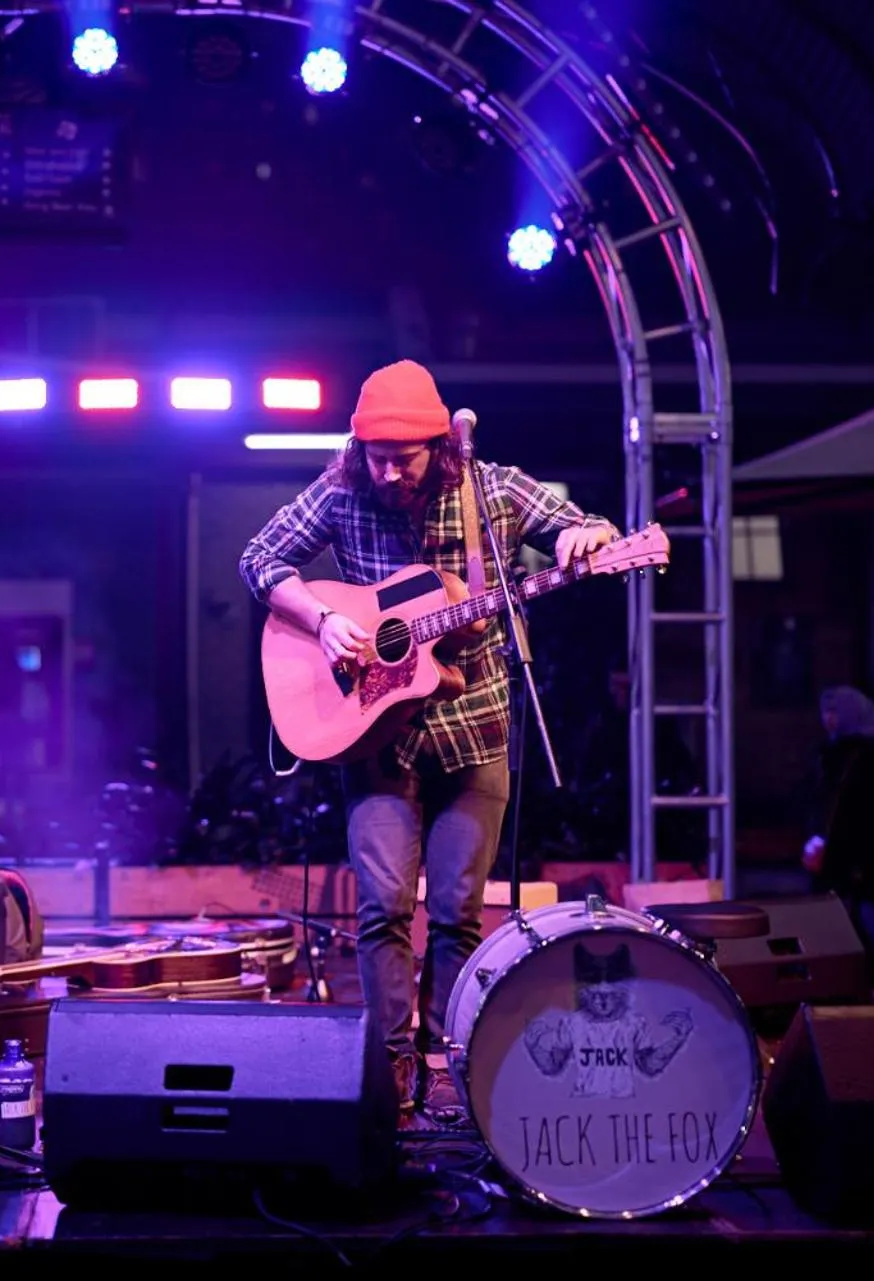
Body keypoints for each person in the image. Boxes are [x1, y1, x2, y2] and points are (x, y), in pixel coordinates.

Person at [238, 358, 617, 1117]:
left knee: (456, 912)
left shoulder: (491, 488)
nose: (387, 474)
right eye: (374, 456)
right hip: (377, 738)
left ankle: (452, 1067)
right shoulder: (345, 489)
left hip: (475, 733)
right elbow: (258, 557)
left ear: (439, 446)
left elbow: (585, 527)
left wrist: (592, 535)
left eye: (401, 459)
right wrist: (325, 618)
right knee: (380, 907)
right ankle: (389, 1075)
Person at [802, 686, 874, 1002]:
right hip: (839, 850)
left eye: (834, 712)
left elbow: (866, 809)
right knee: (841, 920)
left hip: (865, 850)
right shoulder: (834, 755)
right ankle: (841, 984)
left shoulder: (872, 756)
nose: (828, 719)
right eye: (825, 712)